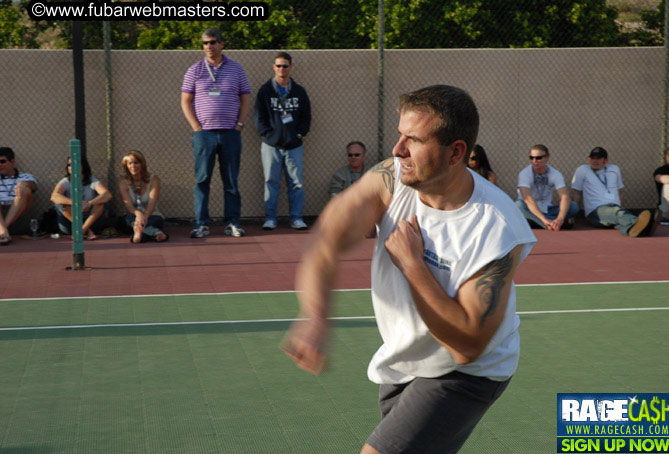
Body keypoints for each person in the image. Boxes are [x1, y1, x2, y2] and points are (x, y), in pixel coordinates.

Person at [282, 85, 536, 454]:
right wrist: (315, 315)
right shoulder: (393, 179)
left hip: (464, 374)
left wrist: (412, 265)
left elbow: (467, 345)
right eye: (400, 135)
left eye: (413, 140)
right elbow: (329, 235)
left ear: (456, 152)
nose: (398, 150)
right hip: (406, 360)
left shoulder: (496, 226)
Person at [181, 28, 251, 238]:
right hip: (204, 135)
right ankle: (201, 224)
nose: (208, 47)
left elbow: (245, 97)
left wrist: (239, 124)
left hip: (230, 133)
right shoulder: (194, 70)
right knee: (202, 180)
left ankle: (232, 223)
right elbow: (185, 101)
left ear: (222, 44)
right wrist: (196, 127)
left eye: (212, 42)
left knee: (231, 180)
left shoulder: (236, 69)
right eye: (205, 43)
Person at [255, 52, 312, 230]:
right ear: (273, 67)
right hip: (271, 145)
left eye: (285, 66)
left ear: (290, 67)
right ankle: (271, 218)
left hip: (294, 145)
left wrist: (300, 133)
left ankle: (296, 218)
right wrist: (267, 134)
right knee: (270, 181)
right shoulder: (265, 90)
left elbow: (306, 115)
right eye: (278, 66)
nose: (282, 69)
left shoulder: (299, 91)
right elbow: (259, 116)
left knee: (296, 182)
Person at [571, 147, 659, 237]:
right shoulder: (582, 170)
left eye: (598, 158)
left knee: (620, 220)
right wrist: (573, 216)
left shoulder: (614, 169)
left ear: (606, 160)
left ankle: (637, 230)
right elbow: (576, 193)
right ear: (589, 159)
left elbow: (620, 192)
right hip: (596, 212)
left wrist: (622, 208)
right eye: (592, 158)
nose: (595, 161)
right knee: (617, 213)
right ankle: (642, 223)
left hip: (615, 208)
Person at [515, 144, 578, 230]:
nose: (534, 161)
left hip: (547, 209)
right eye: (531, 157)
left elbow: (565, 197)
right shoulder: (524, 174)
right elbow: (527, 199)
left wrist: (560, 218)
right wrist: (544, 219)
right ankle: (549, 224)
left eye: (538, 158)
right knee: (518, 205)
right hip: (530, 208)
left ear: (547, 157)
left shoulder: (555, 174)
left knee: (573, 206)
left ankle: (537, 222)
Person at [50, 155, 112, 241]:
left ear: (83, 166)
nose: (71, 167)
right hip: (71, 224)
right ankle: (85, 230)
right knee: (59, 204)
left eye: (75, 163)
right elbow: (54, 196)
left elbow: (107, 195)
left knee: (101, 202)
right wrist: (76, 202)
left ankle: (82, 230)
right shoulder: (65, 182)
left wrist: (90, 203)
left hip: (91, 222)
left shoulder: (92, 181)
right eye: (69, 164)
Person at [118, 150, 168, 243]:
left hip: (151, 215)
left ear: (142, 164)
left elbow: (152, 203)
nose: (133, 166)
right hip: (132, 216)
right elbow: (129, 206)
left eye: (136, 163)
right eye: (130, 163)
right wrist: (138, 214)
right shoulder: (123, 182)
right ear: (126, 166)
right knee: (129, 221)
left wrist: (144, 217)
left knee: (153, 221)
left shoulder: (154, 179)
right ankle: (156, 233)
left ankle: (138, 235)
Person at [0, 146, 37, 245]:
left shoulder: (26, 176)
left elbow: (33, 186)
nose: (0, 165)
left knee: (25, 189)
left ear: (12, 162)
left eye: (2, 161)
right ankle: (4, 232)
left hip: (19, 216)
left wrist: (24, 184)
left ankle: (3, 230)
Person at [653, 144, 669, 222]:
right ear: (666, 157)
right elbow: (660, 178)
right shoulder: (661, 170)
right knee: (668, 184)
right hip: (667, 211)